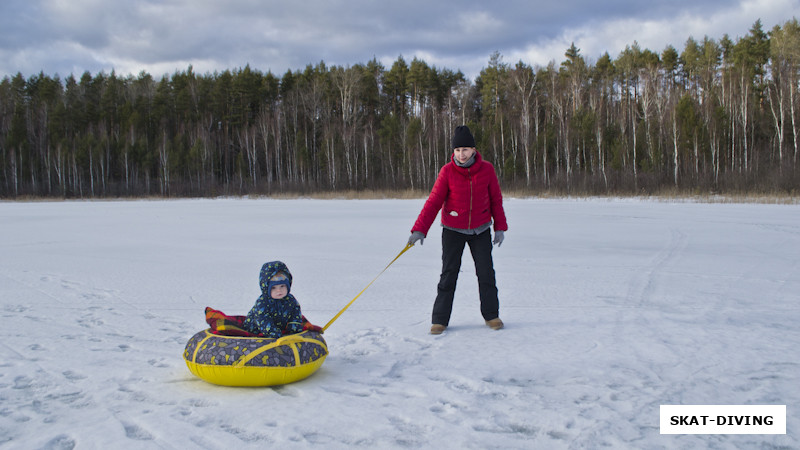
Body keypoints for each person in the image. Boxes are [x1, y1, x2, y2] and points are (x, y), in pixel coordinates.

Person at [408, 125, 508, 335]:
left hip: (480, 230)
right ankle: (440, 320)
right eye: (457, 150)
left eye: (465, 149)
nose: (461, 155)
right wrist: (420, 229)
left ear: (473, 150)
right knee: (448, 274)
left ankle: (491, 315)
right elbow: (434, 201)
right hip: (453, 230)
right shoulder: (447, 171)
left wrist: (499, 227)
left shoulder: (487, 170)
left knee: (486, 273)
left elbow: (496, 200)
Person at [243, 260, 305, 338]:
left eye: (282, 286)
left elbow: (295, 313)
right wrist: (272, 332)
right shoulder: (263, 302)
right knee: (259, 326)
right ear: (266, 289)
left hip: (279, 328)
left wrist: (294, 326)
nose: (279, 290)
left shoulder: (290, 300)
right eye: (274, 288)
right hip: (257, 329)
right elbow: (262, 319)